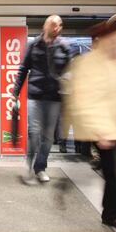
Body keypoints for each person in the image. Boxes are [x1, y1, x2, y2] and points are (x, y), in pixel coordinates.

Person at [65, 14, 116, 232]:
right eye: (114, 38)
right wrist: (100, 130)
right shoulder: (88, 63)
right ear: (102, 40)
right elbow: (85, 98)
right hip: (102, 129)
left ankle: (111, 212)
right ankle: (111, 214)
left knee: (113, 172)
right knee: (112, 173)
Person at [12, 15, 71, 184]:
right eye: (54, 24)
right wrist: (14, 93)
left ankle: (40, 167)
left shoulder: (63, 47)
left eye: (60, 25)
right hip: (35, 96)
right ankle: (29, 164)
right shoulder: (34, 45)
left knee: (48, 137)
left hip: (54, 98)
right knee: (34, 132)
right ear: (46, 26)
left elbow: (69, 69)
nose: (57, 28)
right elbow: (23, 69)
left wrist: (67, 78)